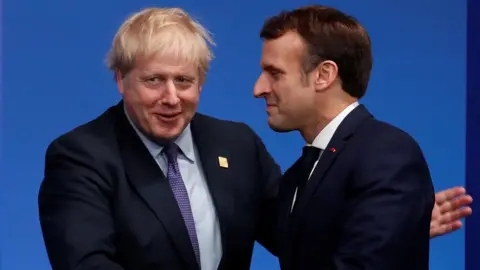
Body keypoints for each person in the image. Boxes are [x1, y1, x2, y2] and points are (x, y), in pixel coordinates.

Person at [38, 6, 472, 270]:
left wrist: (388, 226)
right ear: (121, 79)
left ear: (201, 82)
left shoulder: (236, 145)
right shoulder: (80, 157)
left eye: (184, 81)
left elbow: (291, 231)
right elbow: (87, 266)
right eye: (154, 80)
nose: (171, 98)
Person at [253, 5, 467, 270]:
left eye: (275, 74)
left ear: (324, 75)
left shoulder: (387, 154)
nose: (258, 89)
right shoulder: (298, 176)